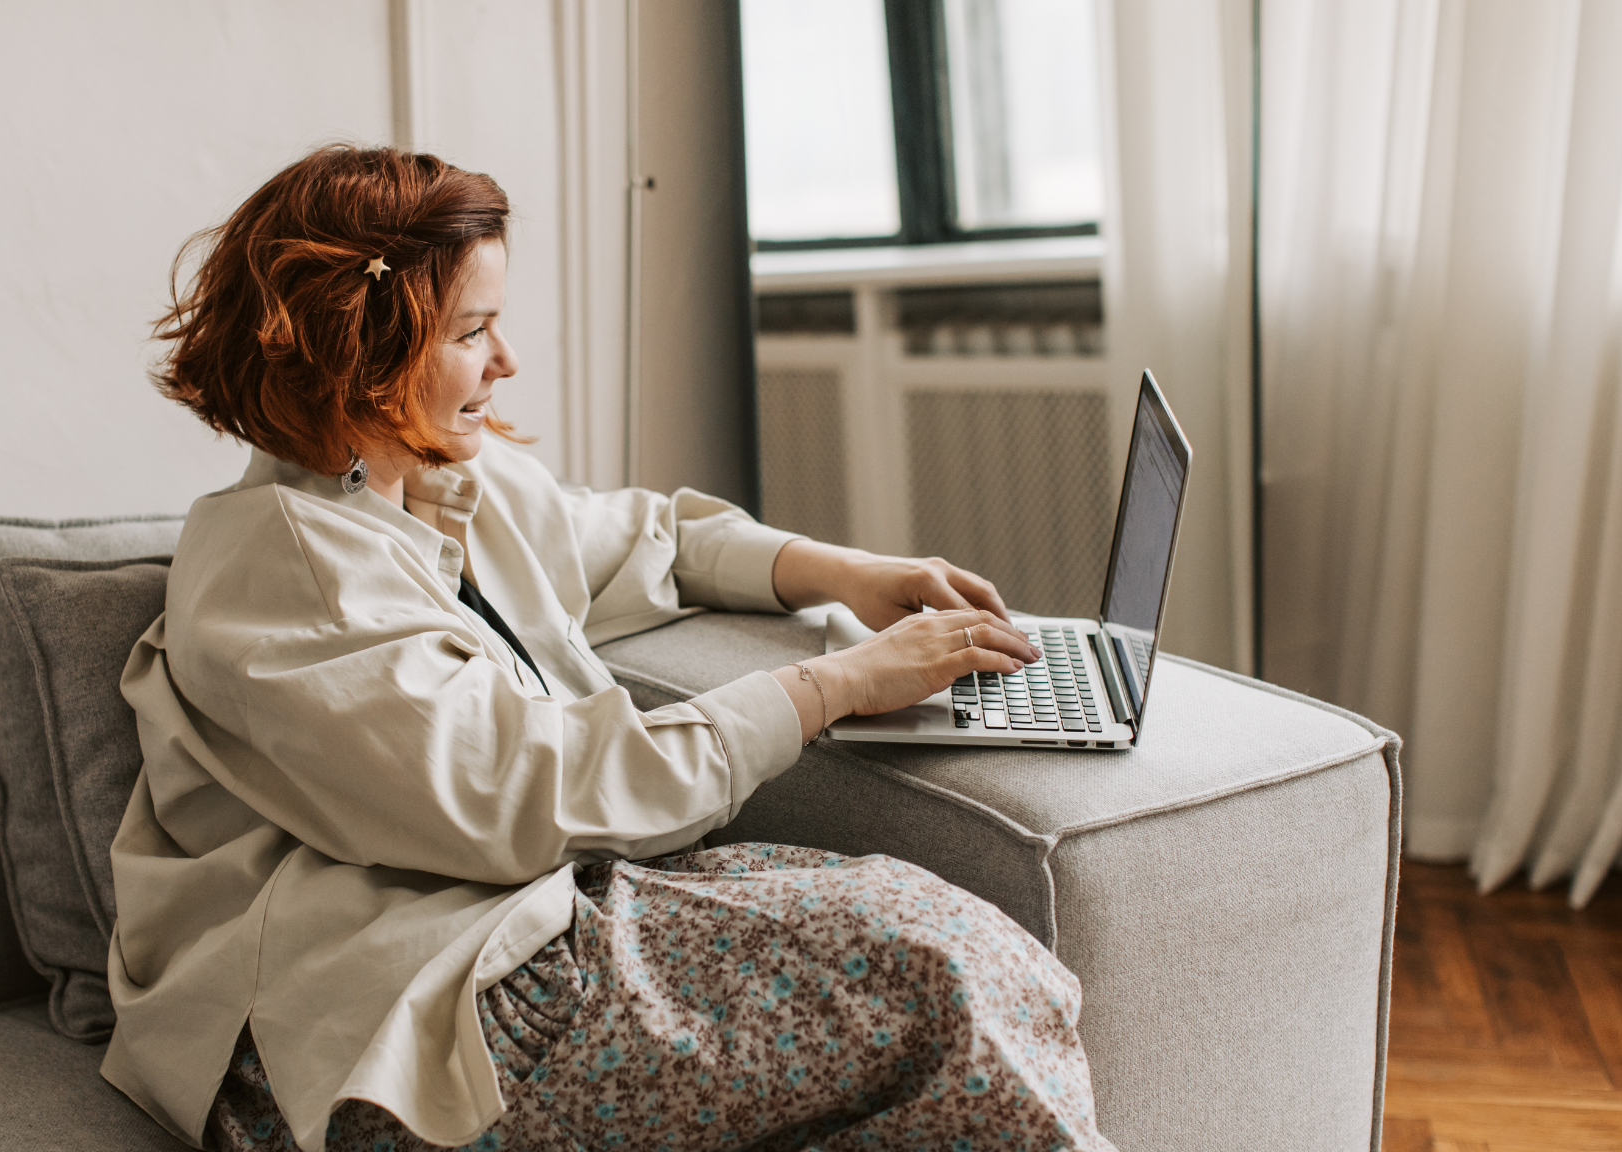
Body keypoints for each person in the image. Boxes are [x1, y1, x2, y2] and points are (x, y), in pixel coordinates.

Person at [104, 143, 1113, 1152]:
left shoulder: (442, 478)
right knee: (936, 965)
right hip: (379, 1028)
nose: (504, 363)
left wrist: (844, 573)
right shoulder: (283, 571)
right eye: (473, 332)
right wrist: (834, 683)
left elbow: (646, 538)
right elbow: (525, 795)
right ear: (358, 349)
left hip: (513, 925)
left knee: (953, 944)